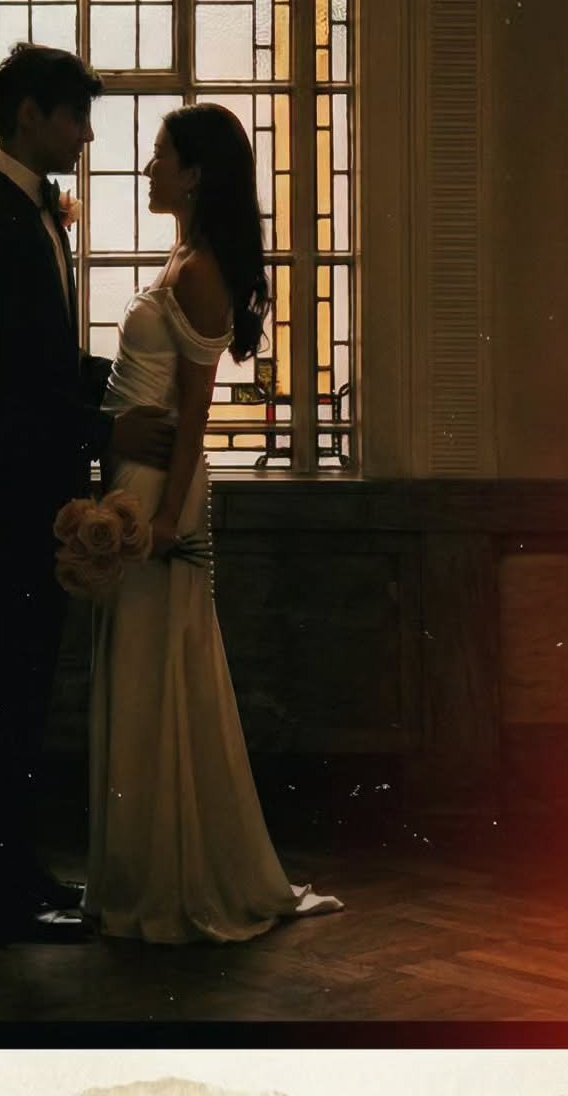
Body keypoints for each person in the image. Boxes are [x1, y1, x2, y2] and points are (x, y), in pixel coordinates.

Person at [84, 103, 344, 943]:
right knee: (140, 665)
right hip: (134, 477)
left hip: (160, 486)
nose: (148, 167)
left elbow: (195, 411)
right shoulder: (182, 257)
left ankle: (173, 876)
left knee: (158, 665)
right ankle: (144, 867)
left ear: (194, 174)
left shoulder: (199, 272)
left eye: (160, 155)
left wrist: (164, 518)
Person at [0, 43, 176, 946]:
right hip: (16, 494)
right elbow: (7, 382)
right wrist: (107, 432)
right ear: (31, 115)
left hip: (30, 487)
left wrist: (120, 389)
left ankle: (15, 875)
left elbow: (43, 358)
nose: (87, 135)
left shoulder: (27, 213)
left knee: (23, 691)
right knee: (7, 692)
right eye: (77, 116)